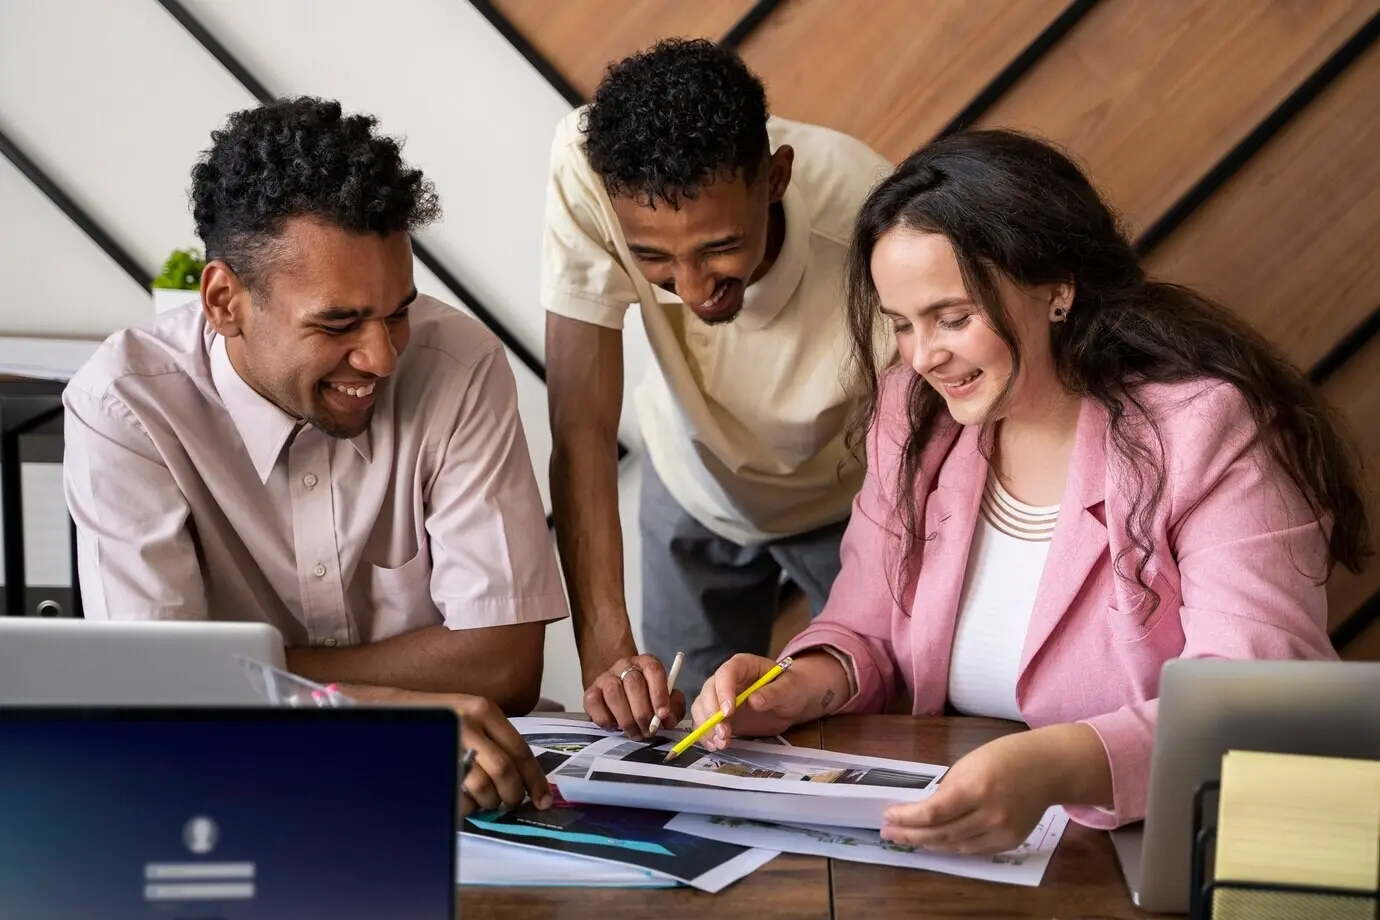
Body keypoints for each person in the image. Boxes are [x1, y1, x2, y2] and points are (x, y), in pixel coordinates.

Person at [690, 128, 1371, 854]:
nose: (924, 357)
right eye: (902, 326)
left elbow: (1257, 703)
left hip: (1150, 847)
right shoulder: (914, 414)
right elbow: (870, 625)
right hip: (953, 843)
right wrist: (802, 683)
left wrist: (1054, 766)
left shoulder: (1207, 431)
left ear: (1057, 290)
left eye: (953, 318)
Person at [63, 97, 566, 816]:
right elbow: (158, 694)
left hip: (462, 795)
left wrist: (240, 679)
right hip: (228, 792)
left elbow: (505, 664)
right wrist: (380, 707)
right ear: (223, 301)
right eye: (337, 324)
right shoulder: (125, 404)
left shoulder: (460, 364)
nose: (382, 357)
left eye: (397, 312)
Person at [542, 38, 892, 736]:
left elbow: (932, 450)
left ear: (776, 179)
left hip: (851, 503)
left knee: (869, 716)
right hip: (691, 486)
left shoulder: (873, 218)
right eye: (654, 260)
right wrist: (606, 654)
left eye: (719, 248)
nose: (694, 290)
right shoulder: (587, 170)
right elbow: (581, 428)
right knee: (686, 736)